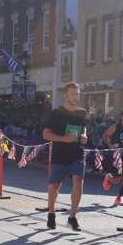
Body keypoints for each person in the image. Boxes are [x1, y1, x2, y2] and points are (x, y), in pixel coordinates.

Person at [43, 82, 88, 231]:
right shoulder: (57, 113)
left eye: (77, 94)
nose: (75, 97)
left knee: (78, 183)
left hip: (76, 154)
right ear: (65, 95)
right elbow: (46, 134)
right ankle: (51, 213)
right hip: (60, 154)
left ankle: (72, 218)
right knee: (55, 186)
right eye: (72, 94)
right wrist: (64, 139)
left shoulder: (81, 112)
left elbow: (83, 127)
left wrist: (84, 135)